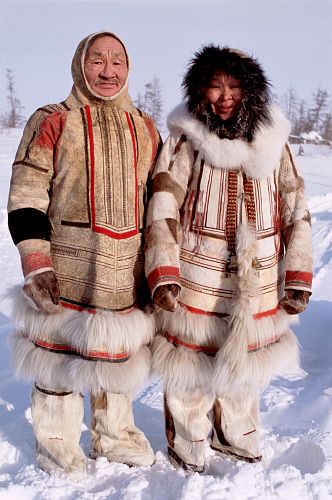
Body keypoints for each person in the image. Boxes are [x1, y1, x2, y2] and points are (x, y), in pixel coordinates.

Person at [144, 45, 312, 472]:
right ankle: (190, 442)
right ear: (200, 89)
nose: (224, 96)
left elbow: (295, 206)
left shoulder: (274, 142)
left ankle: (237, 433)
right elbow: (163, 204)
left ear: (250, 91)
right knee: (191, 365)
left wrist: (297, 274)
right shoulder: (187, 139)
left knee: (245, 366)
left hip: (258, 276)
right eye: (215, 86)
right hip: (198, 273)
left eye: (234, 86)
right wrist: (163, 272)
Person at [7, 30, 161, 479]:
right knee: (57, 360)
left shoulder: (146, 128)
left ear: (128, 68)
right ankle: (58, 447)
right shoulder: (52, 120)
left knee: (116, 357)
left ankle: (115, 438)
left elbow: (158, 202)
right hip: (66, 267)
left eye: (117, 61)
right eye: (98, 60)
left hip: (122, 270)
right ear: (80, 64)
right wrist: (36, 262)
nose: (108, 71)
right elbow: (26, 193)